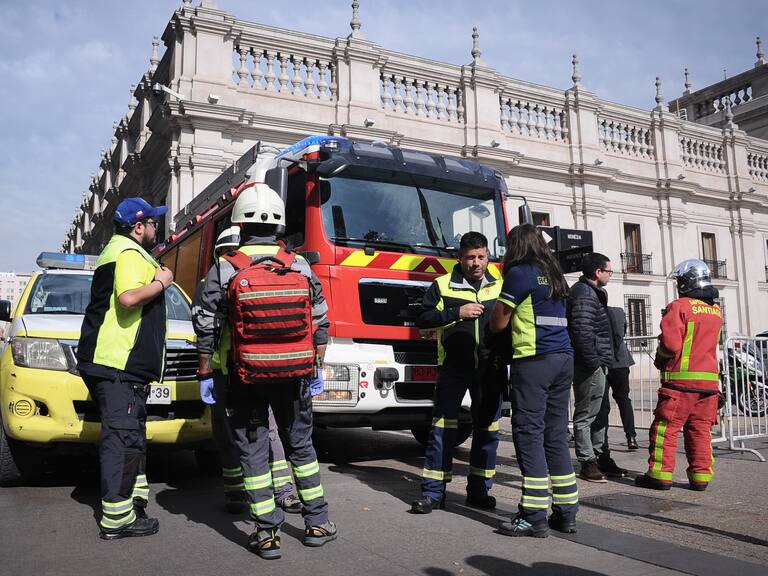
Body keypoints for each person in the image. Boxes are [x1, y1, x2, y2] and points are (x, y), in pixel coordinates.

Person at [194, 181, 334, 559]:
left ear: (240, 225)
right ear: (279, 225)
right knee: (300, 446)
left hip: (244, 375)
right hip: (294, 374)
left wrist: (206, 371)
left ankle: (267, 533)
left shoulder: (225, 267)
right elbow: (321, 319)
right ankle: (317, 522)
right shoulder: (299, 264)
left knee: (254, 453)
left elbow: (205, 324)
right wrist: (315, 364)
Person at [76, 197, 173, 540]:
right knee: (122, 438)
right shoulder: (129, 253)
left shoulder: (116, 250)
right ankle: (117, 519)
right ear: (138, 226)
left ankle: (132, 503)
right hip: (119, 363)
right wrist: (163, 281)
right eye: (152, 223)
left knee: (129, 435)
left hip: (115, 364)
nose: (155, 228)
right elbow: (128, 298)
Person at [192, 226, 302, 516]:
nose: (231, 255)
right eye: (227, 251)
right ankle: (240, 492)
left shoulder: (225, 278)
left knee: (258, 433)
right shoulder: (211, 281)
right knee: (236, 434)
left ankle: (280, 490)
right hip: (228, 368)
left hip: (238, 368)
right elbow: (204, 329)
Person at [489, 224, 578, 537]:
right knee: (554, 435)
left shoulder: (520, 274)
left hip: (534, 361)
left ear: (514, 247)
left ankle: (533, 515)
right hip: (563, 359)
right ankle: (566, 513)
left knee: (528, 434)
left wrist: (491, 315)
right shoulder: (555, 274)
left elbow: (499, 322)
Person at [411, 232, 504, 514]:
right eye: (470, 257)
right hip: (453, 367)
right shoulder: (441, 285)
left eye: (481, 257)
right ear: (460, 258)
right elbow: (423, 321)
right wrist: (457, 312)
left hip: (490, 369)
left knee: (487, 431)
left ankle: (479, 490)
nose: (476, 263)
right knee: (441, 430)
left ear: (488, 256)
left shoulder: (501, 285)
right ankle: (432, 494)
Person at [636, 259, 723, 492]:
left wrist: (661, 359)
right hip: (709, 385)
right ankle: (701, 476)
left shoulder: (679, 306)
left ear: (686, 281)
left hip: (680, 383)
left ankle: (660, 475)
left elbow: (671, 345)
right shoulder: (716, 310)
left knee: (666, 428)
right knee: (700, 430)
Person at [567, 253, 626, 482]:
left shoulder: (593, 293)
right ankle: (587, 462)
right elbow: (581, 331)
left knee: (601, 412)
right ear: (597, 272)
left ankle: (601, 456)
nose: (611, 275)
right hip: (590, 365)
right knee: (586, 414)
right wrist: (593, 363)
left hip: (600, 363)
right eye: (609, 271)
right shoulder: (584, 294)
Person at [596, 307, 638, 450]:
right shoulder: (619, 312)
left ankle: (603, 440)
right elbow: (623, 331)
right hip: (621, 361)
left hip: (603, 362)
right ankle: (631, 437)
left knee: (603, 403)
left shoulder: (595, 312)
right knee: (624, 399)